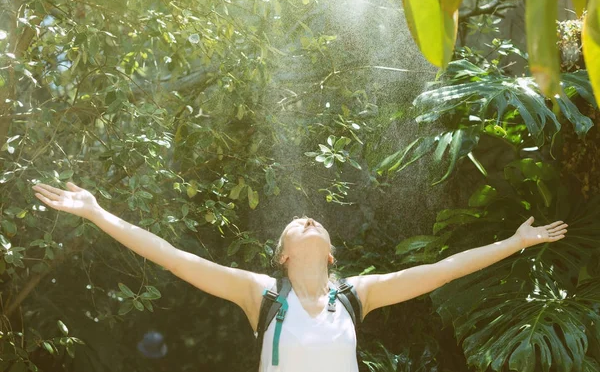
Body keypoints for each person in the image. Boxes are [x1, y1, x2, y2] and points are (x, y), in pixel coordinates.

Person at [32, 182, 568, 372]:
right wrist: (99, 214)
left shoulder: (358, 294)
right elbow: (174, 257)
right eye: (295, 223)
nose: (307, 219)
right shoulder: (260, 294)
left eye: (316, 222)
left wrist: (515, 242)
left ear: (331, 253)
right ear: (282, 255)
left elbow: (443, 270)